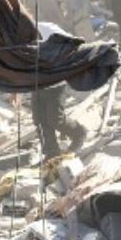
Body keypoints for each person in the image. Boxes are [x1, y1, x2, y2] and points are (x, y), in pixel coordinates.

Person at [31, 20, 88, 160]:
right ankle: (51, 152)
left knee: (55, 119)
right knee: (39, 120)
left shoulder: (46, 29)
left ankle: (79, 132)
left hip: (57, 83)